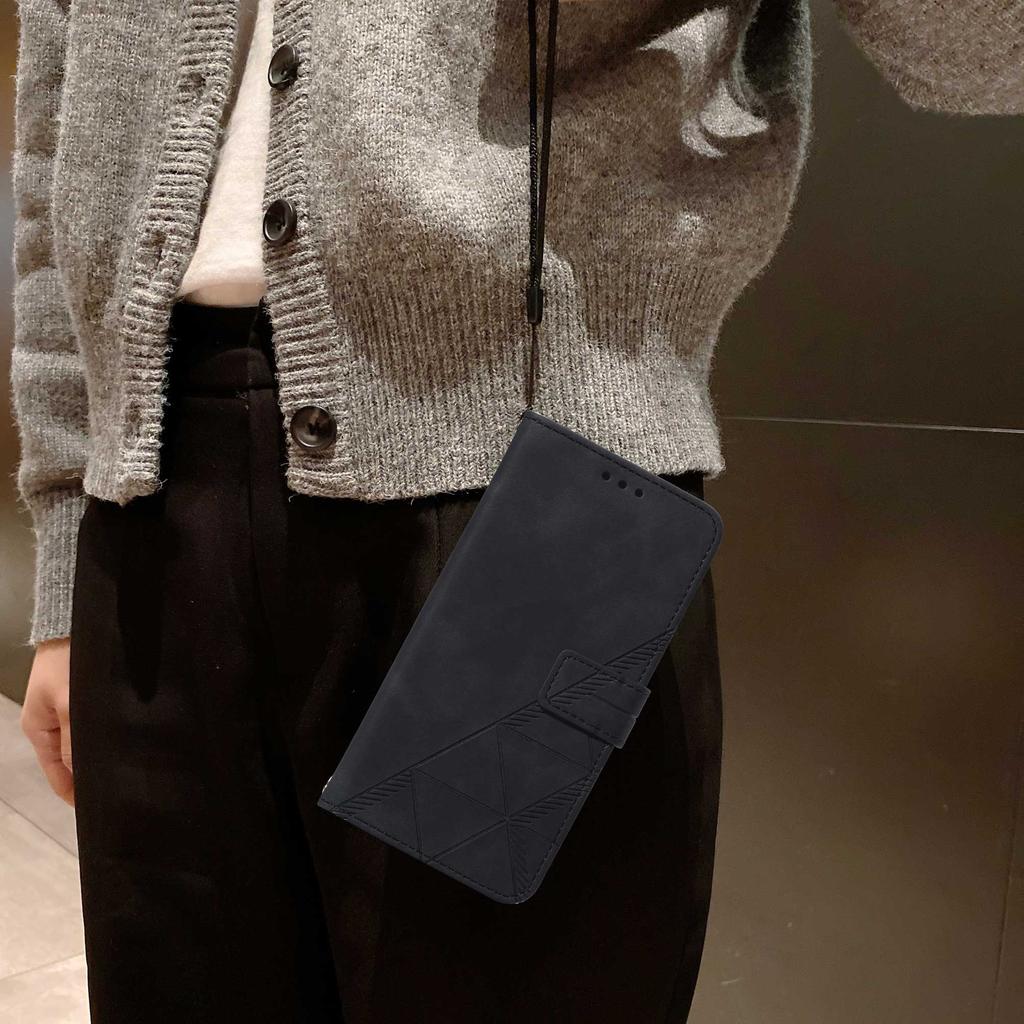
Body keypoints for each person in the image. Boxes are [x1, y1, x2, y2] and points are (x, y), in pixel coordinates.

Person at [11, 1, 1021, 1022]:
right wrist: (63, 547)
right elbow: (52, 160)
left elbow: (981, 55)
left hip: (534, 490)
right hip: (148, 498)